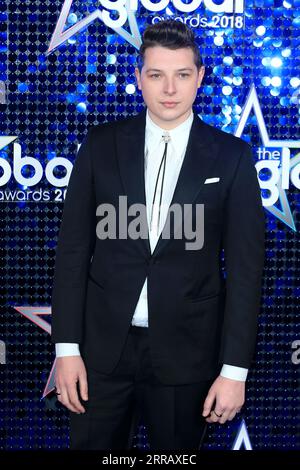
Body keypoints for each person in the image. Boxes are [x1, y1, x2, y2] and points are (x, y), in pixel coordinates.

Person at [51, 20, 265, 450]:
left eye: (182, 74)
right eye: (156, 74)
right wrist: (67, 349)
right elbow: (73, 253)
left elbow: (246, 273)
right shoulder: (100, 145)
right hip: (100, 356)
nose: (170, 88)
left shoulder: (232, 157)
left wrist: (234, 371)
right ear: (138, 78)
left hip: (188, 357)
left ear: (200, 77)